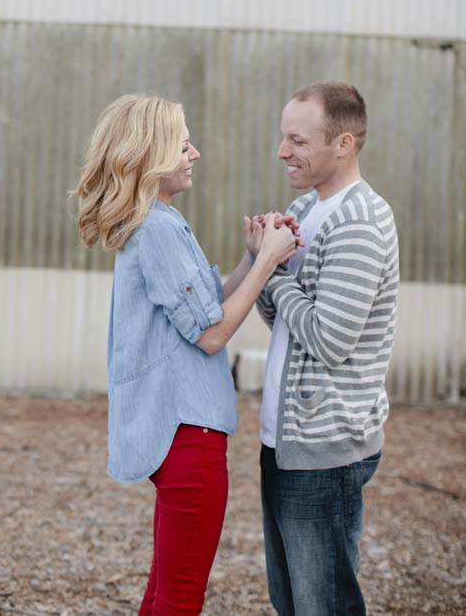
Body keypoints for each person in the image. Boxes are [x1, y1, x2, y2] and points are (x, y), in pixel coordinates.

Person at [75, 93, 297, 616]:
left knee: (162, 594)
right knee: (178, 600)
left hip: (183, 435)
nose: (194, 153)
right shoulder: (155, 230)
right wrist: (267, 262)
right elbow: (212, 336)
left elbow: (204, 308)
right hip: (188, 438)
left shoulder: (163, 223)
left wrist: (249, 259)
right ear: (150, 155)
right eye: (183, 145)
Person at [256, 81, 399, 616]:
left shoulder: (358, 222)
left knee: (325, 607)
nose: (282, 151)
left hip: (325, 453)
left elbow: (329, 339)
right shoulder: (306, 208)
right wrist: (265, 270)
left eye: (297, 139)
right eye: (282, 136)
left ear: (343, 144)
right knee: (290, 602)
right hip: (286, 444)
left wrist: (269, 270)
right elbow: (283, 322)